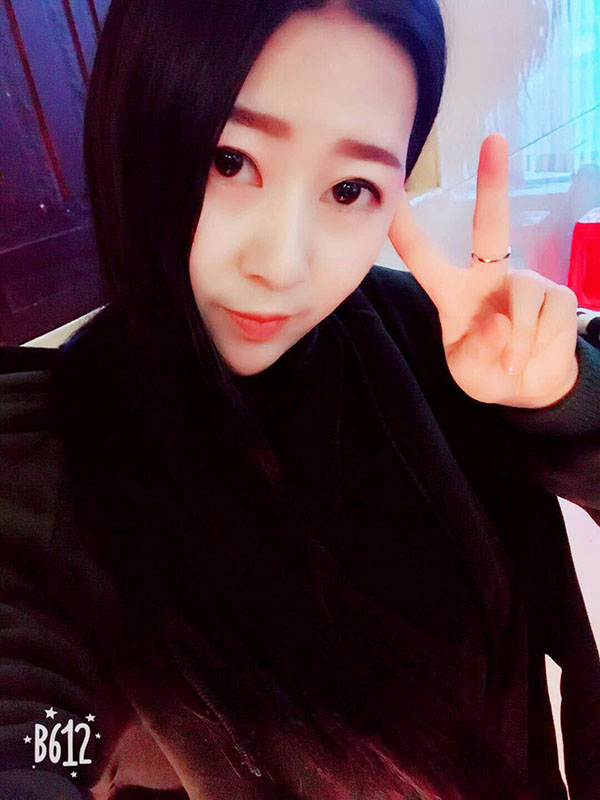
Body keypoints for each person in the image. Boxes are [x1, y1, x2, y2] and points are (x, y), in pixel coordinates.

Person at [0, 0, 599, 797]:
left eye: (349, 188)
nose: (282, 265)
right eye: (229, 160)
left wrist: (561, 401)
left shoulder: (433, 344)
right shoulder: (43, 469)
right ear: (132, 132)